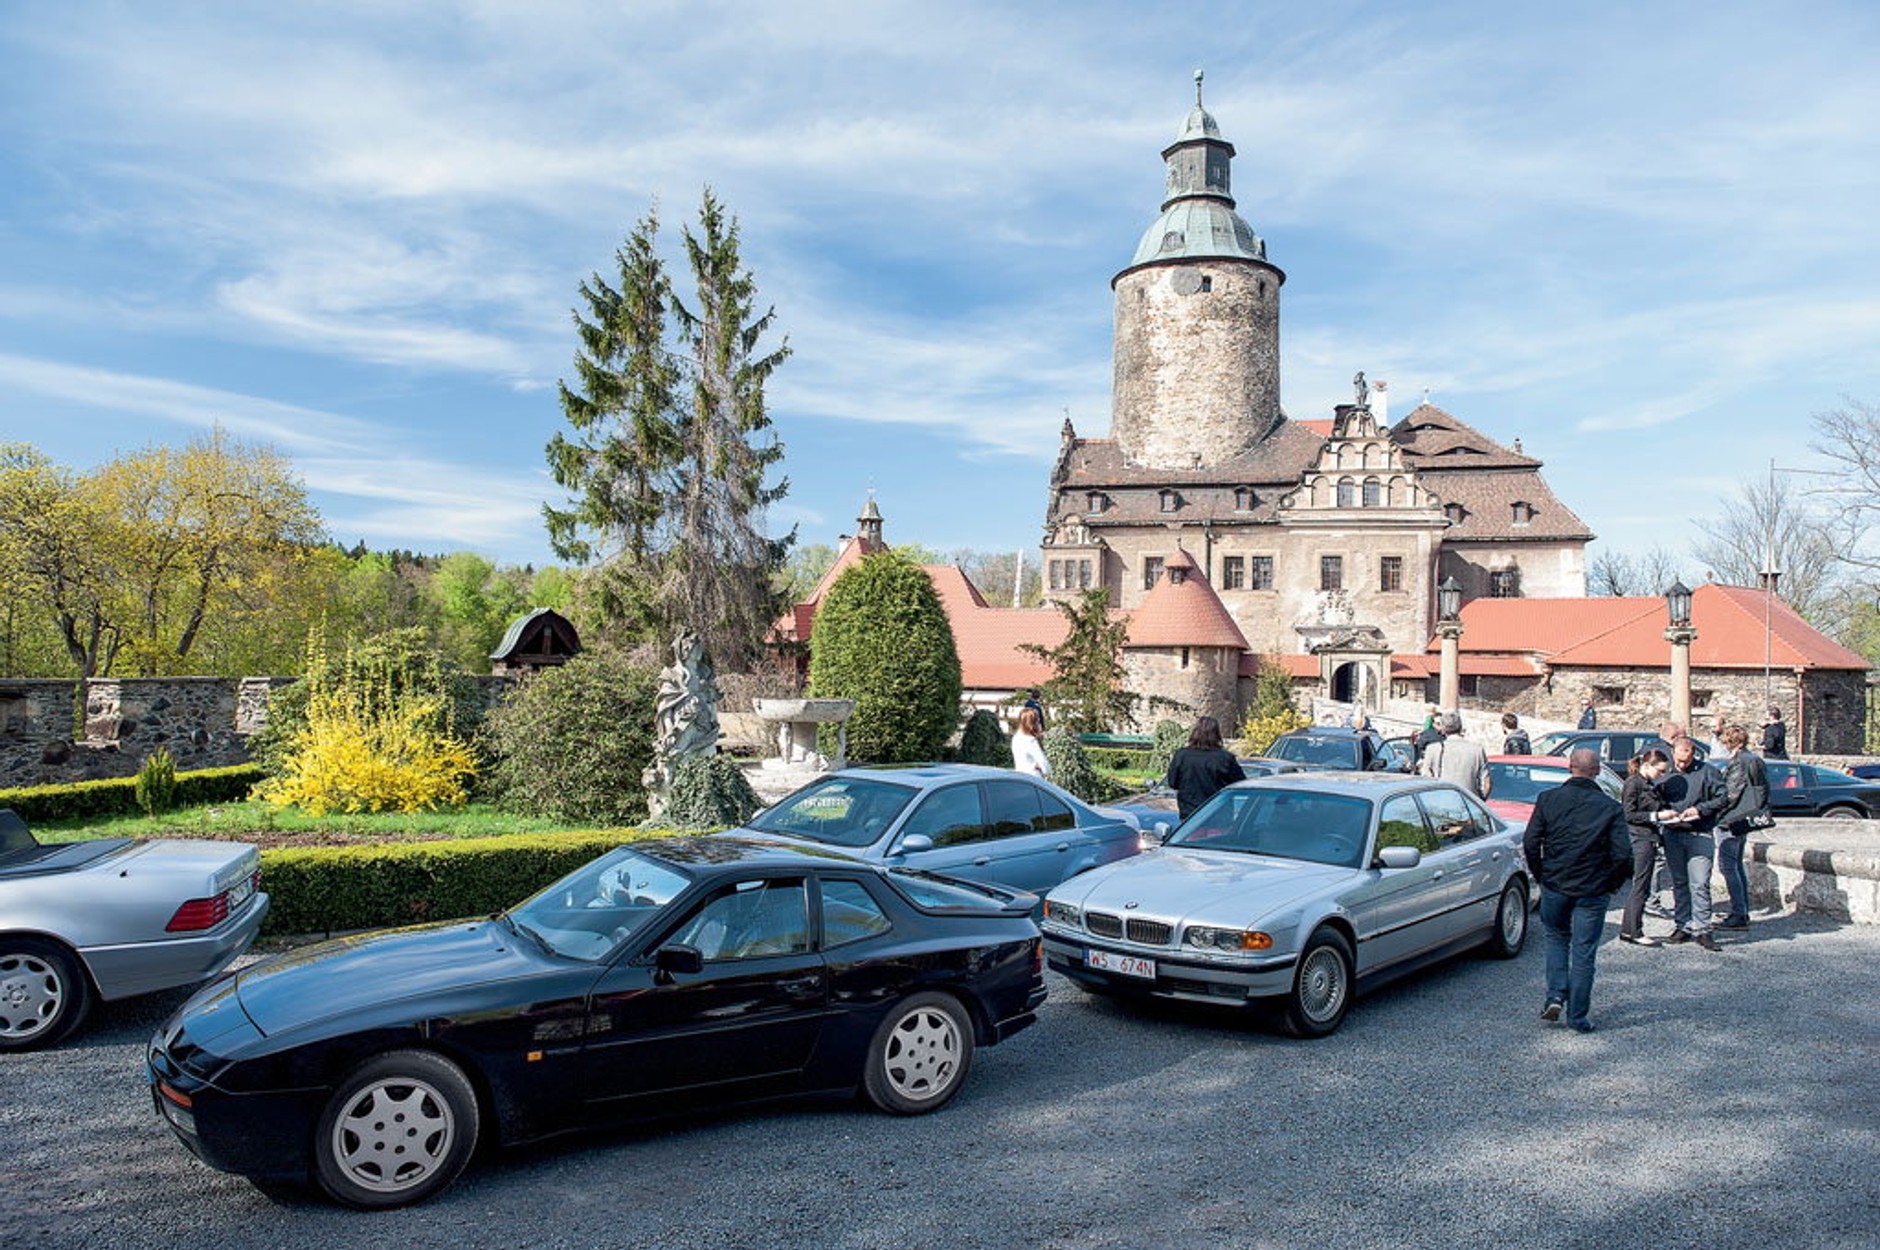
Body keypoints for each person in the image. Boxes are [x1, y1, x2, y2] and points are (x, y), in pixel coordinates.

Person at [1523, 748, 1632, 1032]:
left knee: (1556, 938)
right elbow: (1622, 854)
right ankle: (1578, 1016)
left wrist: (1541, 874)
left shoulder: (1548, 800)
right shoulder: (1609, 807)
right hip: (1593, 887)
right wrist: (1613, 884)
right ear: (1597, 770)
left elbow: (1531, 843)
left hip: (1556, 882)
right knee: (1584, 952)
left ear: (1569, 767)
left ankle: (1556, 994)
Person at [1653, 737, 1729, 951]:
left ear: (1693, 753)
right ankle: (1683, 925)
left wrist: (1700, 810)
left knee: (1700, 883)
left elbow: (1723, 798)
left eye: (1685, 761)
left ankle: (1703, 929)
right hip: (1673, 832)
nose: (1681, 764)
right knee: (1679, 882)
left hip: (1700, 832)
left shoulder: (1708, 772)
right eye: (1678, 760)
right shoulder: (1666, 772)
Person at [1713, 724, 1770, 929]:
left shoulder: (1739, 762)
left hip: (1731, 819)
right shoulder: (1755, 760)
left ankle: (1738, 913)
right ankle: (1742, 911)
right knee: (1736, 865)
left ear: (1729, 742)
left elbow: (1730, 794)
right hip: (1745, 818)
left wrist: (1713, 813)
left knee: (1728, 866)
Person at [1618, 748, 1672, 947]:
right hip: (1639, 839)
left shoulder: (1647, 783)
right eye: (1660, 771)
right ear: (1647, 766)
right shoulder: (1633, 784)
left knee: (1641, 885)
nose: (1662, 776)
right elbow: (1629, 814)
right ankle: (1634, 930)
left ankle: (1628, 929)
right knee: (1640, 886)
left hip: (1647, 837)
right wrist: (1655, 816)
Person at [1164, 716, 1244, 820]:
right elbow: (1240, 784)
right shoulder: (1225, 758)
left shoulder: (1182, 756)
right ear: (1217, 734)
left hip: (1190, 815)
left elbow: (1172, 782)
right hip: (1219, 814)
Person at [1419, 712, 1491, 797]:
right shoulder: (1477, 750)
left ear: (1443, 728)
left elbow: (1426, 778)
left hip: (1441, 801)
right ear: (1461, 727)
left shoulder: (1432, 749)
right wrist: (1478, 801)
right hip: (1468, 803)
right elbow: (1486, 783)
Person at [1011, 706, 1049, 778]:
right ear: (1032, 724)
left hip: (1019, 777)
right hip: (1033, 779)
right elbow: (1046, 767)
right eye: (1037, 721)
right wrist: (1039, 766)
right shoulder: (1030, 741)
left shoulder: (1016, 737)